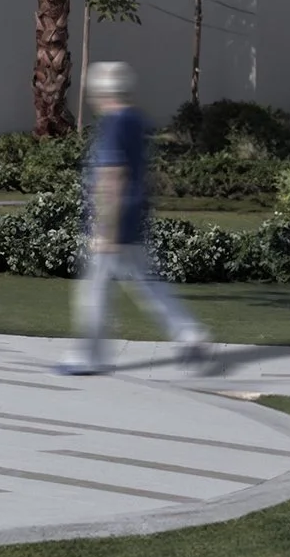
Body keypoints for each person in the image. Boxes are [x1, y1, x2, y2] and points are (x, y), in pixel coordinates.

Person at [58, 61, 212, 375]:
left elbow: (112, 176)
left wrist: (105, 227)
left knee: (95, 290)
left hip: (113, 222)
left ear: (100, 92)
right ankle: (189, 333)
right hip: (134, 218)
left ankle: (89, 355)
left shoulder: (114, 124)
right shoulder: (137, 121)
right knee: (147, 284)